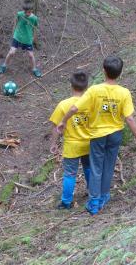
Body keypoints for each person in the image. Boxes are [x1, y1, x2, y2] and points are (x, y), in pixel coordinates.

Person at [57, 56, 136, 215]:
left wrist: (63, 121)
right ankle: (104, 196)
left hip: (98, 136)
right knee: (108, 167)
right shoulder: (124, 93)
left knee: (96, 168)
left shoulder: (94, 90)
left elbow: (74, 109)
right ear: (120, 73)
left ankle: (94, 202)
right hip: (115, 134)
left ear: (104, 71)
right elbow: (129, 117)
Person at [49, 71, 91, 209]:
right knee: (89, 169)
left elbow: (56, 126)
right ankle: (93, 193)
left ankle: (66, 202)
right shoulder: (91, 103)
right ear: (86, 86)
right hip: (89, 143)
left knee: (70, 174)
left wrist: (54, 144)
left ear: (71, 86)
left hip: (72, 145)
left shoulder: (63, 105)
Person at [0, 1, 41, 77]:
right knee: (11, 53)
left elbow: (35, 28)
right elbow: (16, 22)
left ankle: (34, 69)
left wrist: (34, 38)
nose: (27, 14)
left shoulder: (34, 18)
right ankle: (3, 66)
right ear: (23, 10)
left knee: (30, 55)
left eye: (29, 12)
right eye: (26, 12)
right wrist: (15, 31)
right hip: (17, 37)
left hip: (27, 39)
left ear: (32, 11)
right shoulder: (19, 14)